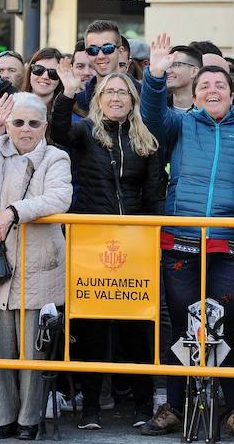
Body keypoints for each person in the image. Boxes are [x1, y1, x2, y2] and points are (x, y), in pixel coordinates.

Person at [139, 34, 234, 439]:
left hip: (230, 243)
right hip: (181, 240)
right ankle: (173, 407)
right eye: (204, 86)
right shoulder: (182, 124)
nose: (212, 90)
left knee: (225, 324)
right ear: (194, 94)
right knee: (182, 326)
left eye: (220, 85)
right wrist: (155, 76)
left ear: (232, 91)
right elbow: (153, 118)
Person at [52, 62, 165, 431]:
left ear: (132, 100)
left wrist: (156, 238)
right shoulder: (85, 132)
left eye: (122, 92)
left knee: (137, 326)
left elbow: (153, 195)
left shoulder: (145, 141)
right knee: (92, 327)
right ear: (99, 99)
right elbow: (58, 132)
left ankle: (143, 406)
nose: (116, 97)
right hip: (91, 240)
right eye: (109, 92)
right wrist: (67, 94)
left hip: (136, 242)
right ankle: (90, 412)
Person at [0, 93, 72, 441]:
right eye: (18, 122)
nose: (25, 129)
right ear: (7, 123)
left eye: (33, 123)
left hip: (40, 264)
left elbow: (59, 197)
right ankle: (2, 418)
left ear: (44, 127)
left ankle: (29, 420)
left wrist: (15, 211)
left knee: (35, 349)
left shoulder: (56, 156)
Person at [72, 20, 141, 114]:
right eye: (93, 50)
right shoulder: (77, 102)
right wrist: (67, 94)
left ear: (120, 51)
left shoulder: (143, 96)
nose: (100, 56)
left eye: (108, 49)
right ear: (87, 53)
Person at [21, 48, 63, 117]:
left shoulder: (67, 113)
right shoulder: (11, 105)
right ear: (30, 71)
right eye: (39, 69)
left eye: (53, 73)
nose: (45, 77)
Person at [166, 45, 203, 112]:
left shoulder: (208, 111)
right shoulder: (158, 107)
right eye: (167, 65)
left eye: (175, 65)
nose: (167, 71)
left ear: (194, 71)